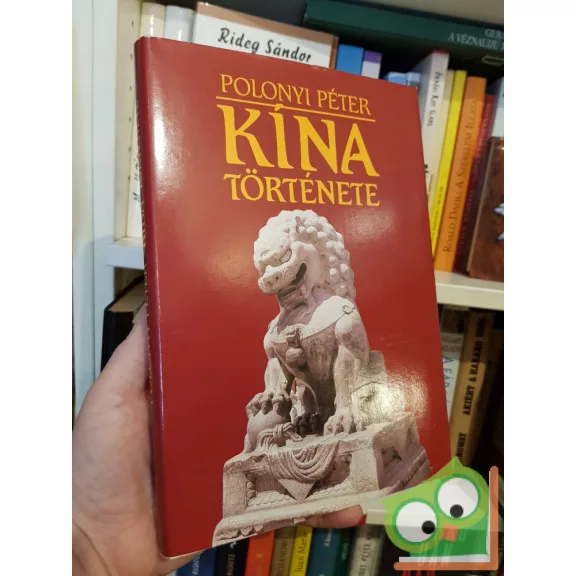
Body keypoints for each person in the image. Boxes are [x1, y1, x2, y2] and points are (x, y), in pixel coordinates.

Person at [72, 306, 363, 575]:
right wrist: (90, 538)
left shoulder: (337, 312)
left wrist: (90, 543)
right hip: (300, 411)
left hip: (338, 403)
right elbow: (278, 374)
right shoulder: (275, 333)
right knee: (267, 425)